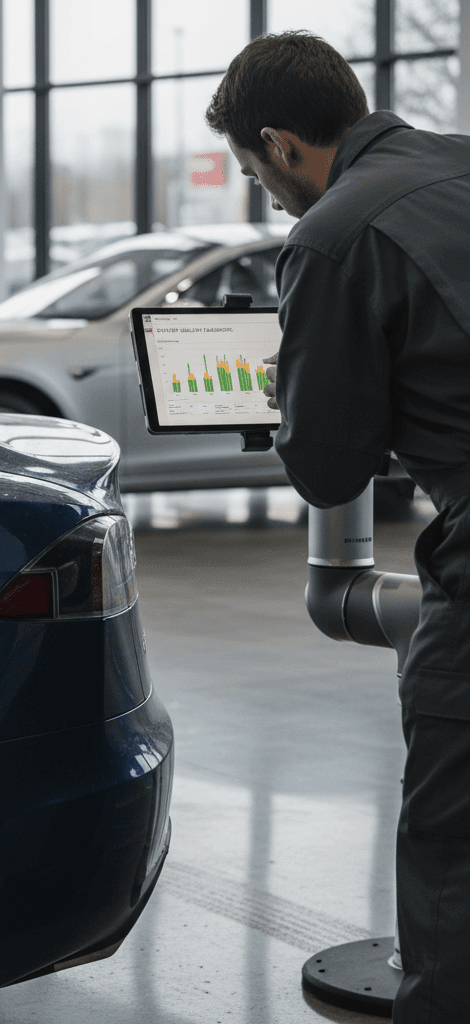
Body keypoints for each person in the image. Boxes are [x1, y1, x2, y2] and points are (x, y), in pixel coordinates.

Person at [205, 31, 470, 1023]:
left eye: (251, 170)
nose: (264, 195)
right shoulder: (458, 161)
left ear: (280, 143)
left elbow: (324, 465)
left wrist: (298, 397)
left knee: (453, 851)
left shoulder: (331, 234)